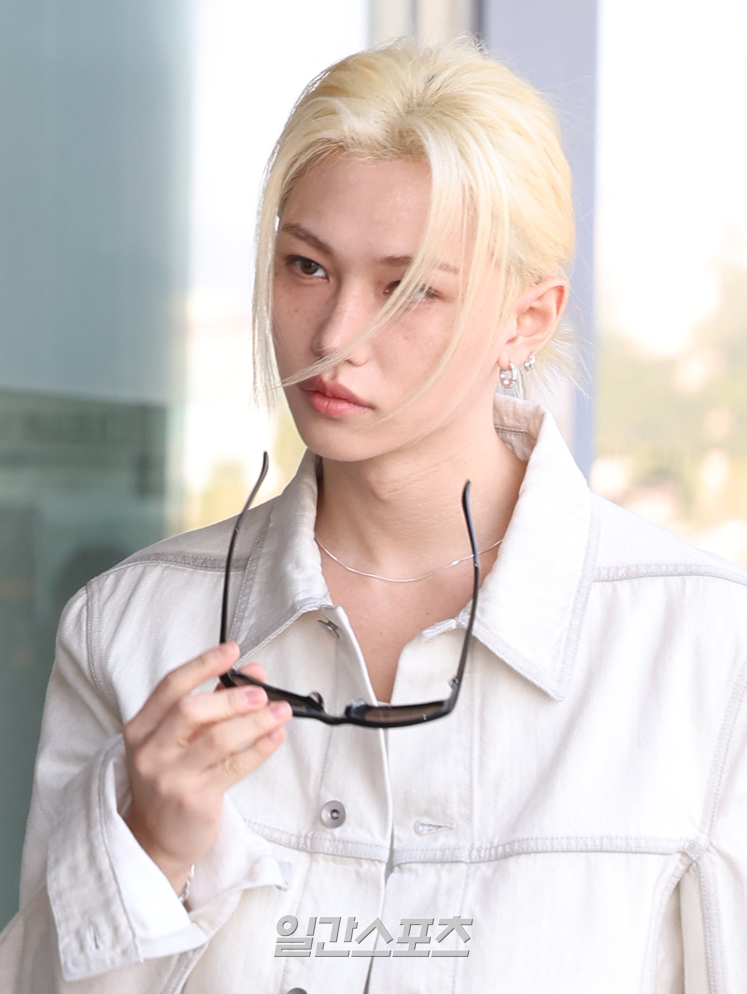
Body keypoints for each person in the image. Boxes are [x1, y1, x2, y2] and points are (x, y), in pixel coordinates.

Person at [1, 37, 747, 994]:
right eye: (307, 267)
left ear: (526, 319)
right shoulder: (128, 628)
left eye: (409, 288)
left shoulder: (707, 652)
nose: (335, 335)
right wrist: (149, 851)